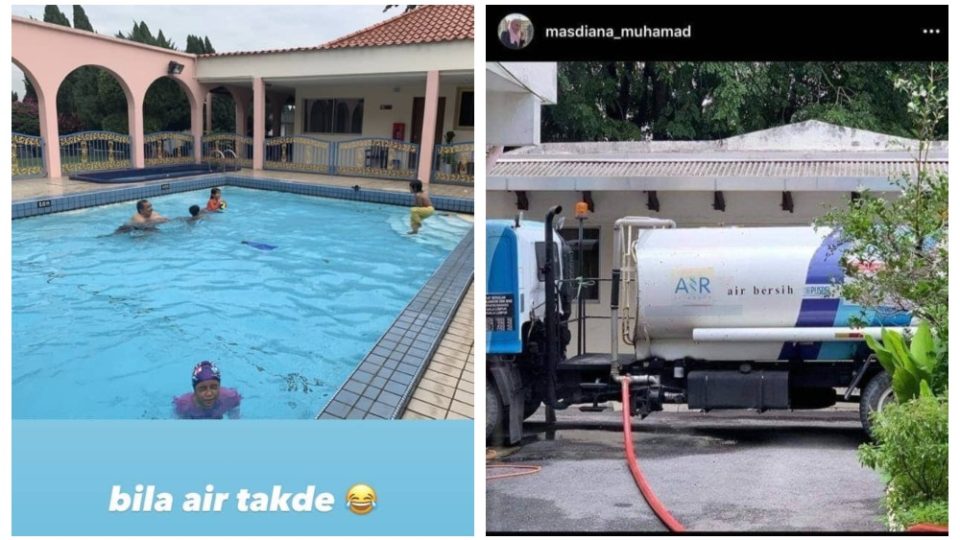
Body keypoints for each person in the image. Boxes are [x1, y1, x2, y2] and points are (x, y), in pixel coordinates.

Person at [173, 360, 241, 419]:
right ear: (194, 390)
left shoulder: (230, 398)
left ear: (219, 386)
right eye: (202, 389)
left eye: (213, 387)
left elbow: (235, 418)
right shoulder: (184, 405)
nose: (209, 393)